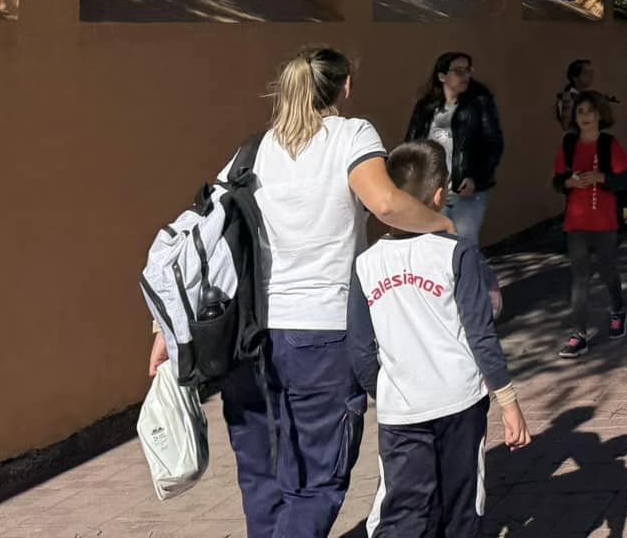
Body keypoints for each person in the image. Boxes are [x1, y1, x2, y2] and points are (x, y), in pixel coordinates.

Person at [148, 46, 454, 538]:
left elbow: (202, 240)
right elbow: (386, 204)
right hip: (322, 336)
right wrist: (443, 224)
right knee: (314, 480)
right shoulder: (352, 135)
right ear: (345, 87)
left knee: (261, 477)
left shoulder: (252, 151)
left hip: (249, 341)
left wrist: (169, 327)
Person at [349, 141, 529, 538]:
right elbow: (480, 333)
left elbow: (360, 350)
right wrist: (508, 401)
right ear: (438, 195)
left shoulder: (364, 264)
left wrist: (388, 389)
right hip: (460, 402)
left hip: (401, 412)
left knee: (404, 511)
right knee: (462, 507)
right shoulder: (456, 253)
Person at [552, 91, 627, 358]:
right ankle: (578, 333)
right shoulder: (568, 144)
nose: (585, 116)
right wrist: (570, 182)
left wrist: (601, 177)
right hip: (576, 221)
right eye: (580, 112)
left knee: (606, 268)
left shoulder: (610, 144)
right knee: (579, 277)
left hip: (605, 218)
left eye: (590, 111)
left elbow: (623, 180)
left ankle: (618, 310)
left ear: (600, 114)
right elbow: (557, 180)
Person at [405, 51, 505, 247]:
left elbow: (493, 144)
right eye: (458, 71)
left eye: (468, 70)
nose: (465, 76)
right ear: (442, 76)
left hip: (466, 192)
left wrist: (475, 176)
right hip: (432, 192)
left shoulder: (479, 104)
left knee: (463, 246)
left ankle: (466, 279)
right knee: (433, 245)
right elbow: (411, 145)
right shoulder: (425, 108)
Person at [555, 58, 597, 127]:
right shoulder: (567, 97)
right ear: (574, 77)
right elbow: (566, 125)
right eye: (586, 73)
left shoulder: (588, 96)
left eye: (591, 73)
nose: (590, 76)